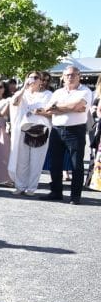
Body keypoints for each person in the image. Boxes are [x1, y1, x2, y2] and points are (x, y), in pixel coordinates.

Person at [42, 65, 92, 204]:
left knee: (77, 164)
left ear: (79, 76)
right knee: (55, 163)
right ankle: (56, 192)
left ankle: (75, 196)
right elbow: (48, 109)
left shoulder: (85, 91)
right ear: (62, 77)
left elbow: (79, 106)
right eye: (67, 75)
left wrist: (58, 107)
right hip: (57, 130)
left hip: (75, 131)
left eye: (73, 74)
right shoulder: (57, 92)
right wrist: (70, 107)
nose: (70, 77)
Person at [7, 71, 53, 196]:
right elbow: (15, 102)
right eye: (30, 77)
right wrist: (23, 88)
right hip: (23, 129)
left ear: (41, 81)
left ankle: (31, 188)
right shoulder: (23, 93)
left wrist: (40, 112)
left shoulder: (47, 94)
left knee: (36, 160)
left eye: (36, 77)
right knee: (22, 160)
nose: (32, 79)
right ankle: (20, 186)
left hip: (40, 130)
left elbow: (52, 111)